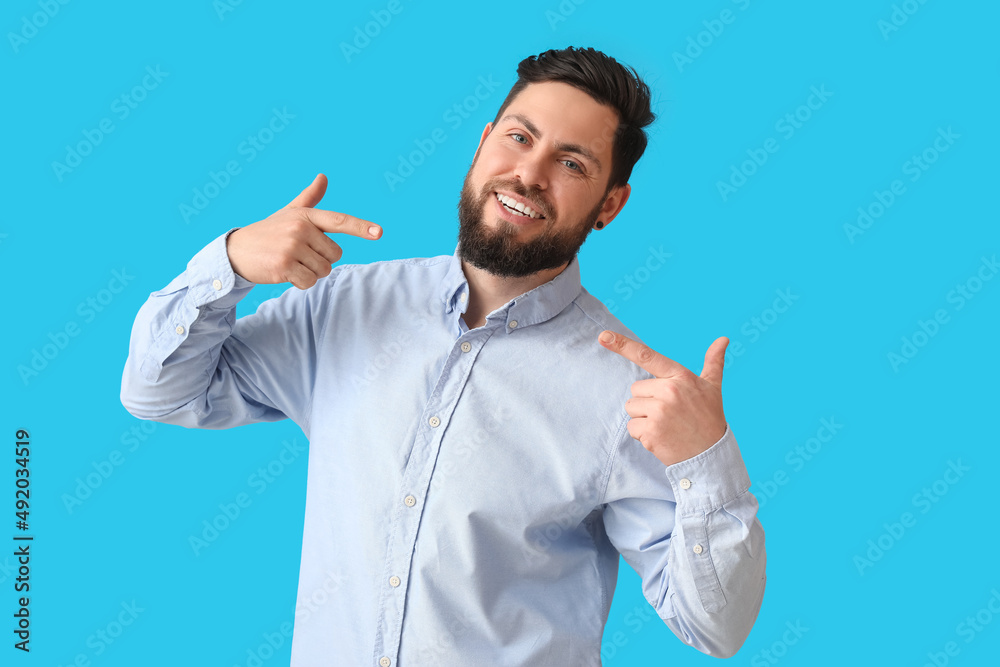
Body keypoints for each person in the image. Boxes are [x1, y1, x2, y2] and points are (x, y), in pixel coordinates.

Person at [121, 46, 765, 666]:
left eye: (573, 164)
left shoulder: (628, 393)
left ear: (610, 206)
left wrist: (706, 460)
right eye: (519, 137)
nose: (530, 174)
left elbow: (713, 626)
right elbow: (159, 391)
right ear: (484, 141)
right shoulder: (341, 307)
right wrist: (229, 263)